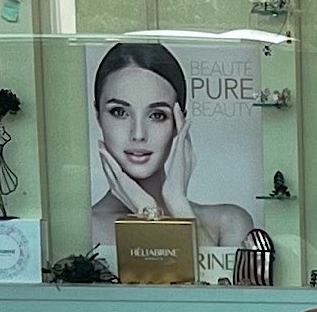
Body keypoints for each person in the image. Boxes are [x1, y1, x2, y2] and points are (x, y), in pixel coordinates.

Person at [87, 39, 254, 267]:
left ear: (178, 123)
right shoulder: (82, 229)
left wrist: (176, 204)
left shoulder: (229, 222)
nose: (138, 134)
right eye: (119, 112)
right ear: (98, 116)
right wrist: (148, 213)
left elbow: (213, 296)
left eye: (157, 115)